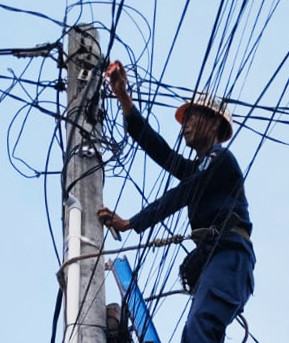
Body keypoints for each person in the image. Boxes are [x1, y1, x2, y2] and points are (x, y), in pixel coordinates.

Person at [98, 61, 255, 343]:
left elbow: (183, 193)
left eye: (193, 117)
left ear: (214, 123)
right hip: (216, 257)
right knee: (194, 333)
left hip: (231, 255)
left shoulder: (221, 161)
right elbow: (160, 151)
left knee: (199, 329)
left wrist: (132, 223)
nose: (186, 125)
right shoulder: (200, 169)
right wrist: (124, 99)